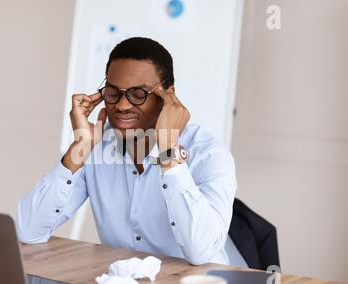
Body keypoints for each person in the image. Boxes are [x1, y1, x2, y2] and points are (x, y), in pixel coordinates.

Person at [16, 37, 237, 265]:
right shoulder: (96, 145)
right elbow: (29, 231)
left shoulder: (209, 155)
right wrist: (80, 147)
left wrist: (169, 149)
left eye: (138, 94)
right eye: (113, 93)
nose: (122, 106)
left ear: (167, 97)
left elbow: (201, 253)